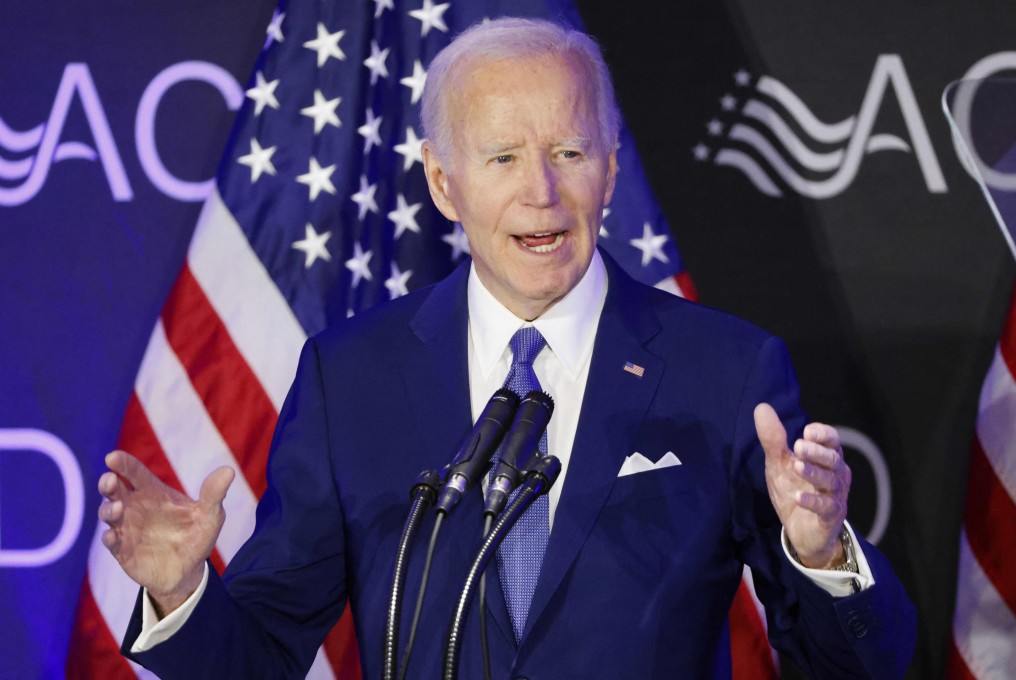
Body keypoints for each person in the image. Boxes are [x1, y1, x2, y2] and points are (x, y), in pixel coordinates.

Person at [98, 17, 916, 679]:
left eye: (569, 153)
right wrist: (181, 595)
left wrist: (822, 555)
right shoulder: (351, 378)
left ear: (610, 167)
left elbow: (857, 665)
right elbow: (260, 656)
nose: (541, 192)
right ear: (443, 182)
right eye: (503, 158)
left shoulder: (727, 370)